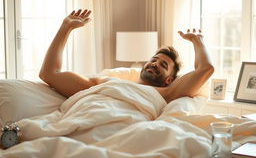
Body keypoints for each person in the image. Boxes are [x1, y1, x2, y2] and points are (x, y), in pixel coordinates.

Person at [39, 9, 214, 104]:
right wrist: (66, 27)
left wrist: (197, 41)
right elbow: (49, 73)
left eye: (163, 65)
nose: (154, 64)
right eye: (153, 60)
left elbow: (205, 69)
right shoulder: (102, 83)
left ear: (168, 80)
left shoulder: (165, 94)